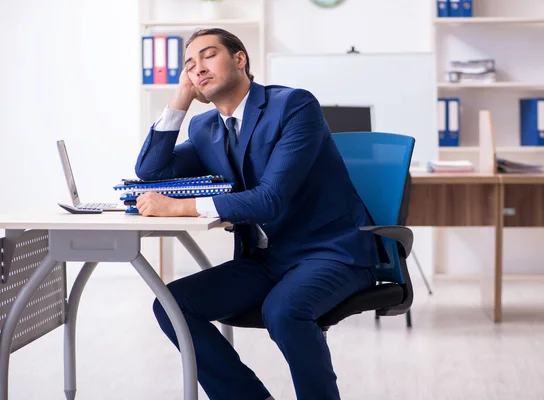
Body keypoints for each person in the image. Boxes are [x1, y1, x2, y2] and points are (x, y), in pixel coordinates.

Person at [134, 28, 387, 400]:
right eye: (189, 65)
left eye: (208, 56)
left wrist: (179, 207)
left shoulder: (293, 106)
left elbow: (270, 200)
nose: (197, 69)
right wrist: (180, 99)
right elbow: (151, 171)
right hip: (269, 259)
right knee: (173, 305)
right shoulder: (206, 127)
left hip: (332, 252)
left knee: (283, 311)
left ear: (240, 59)